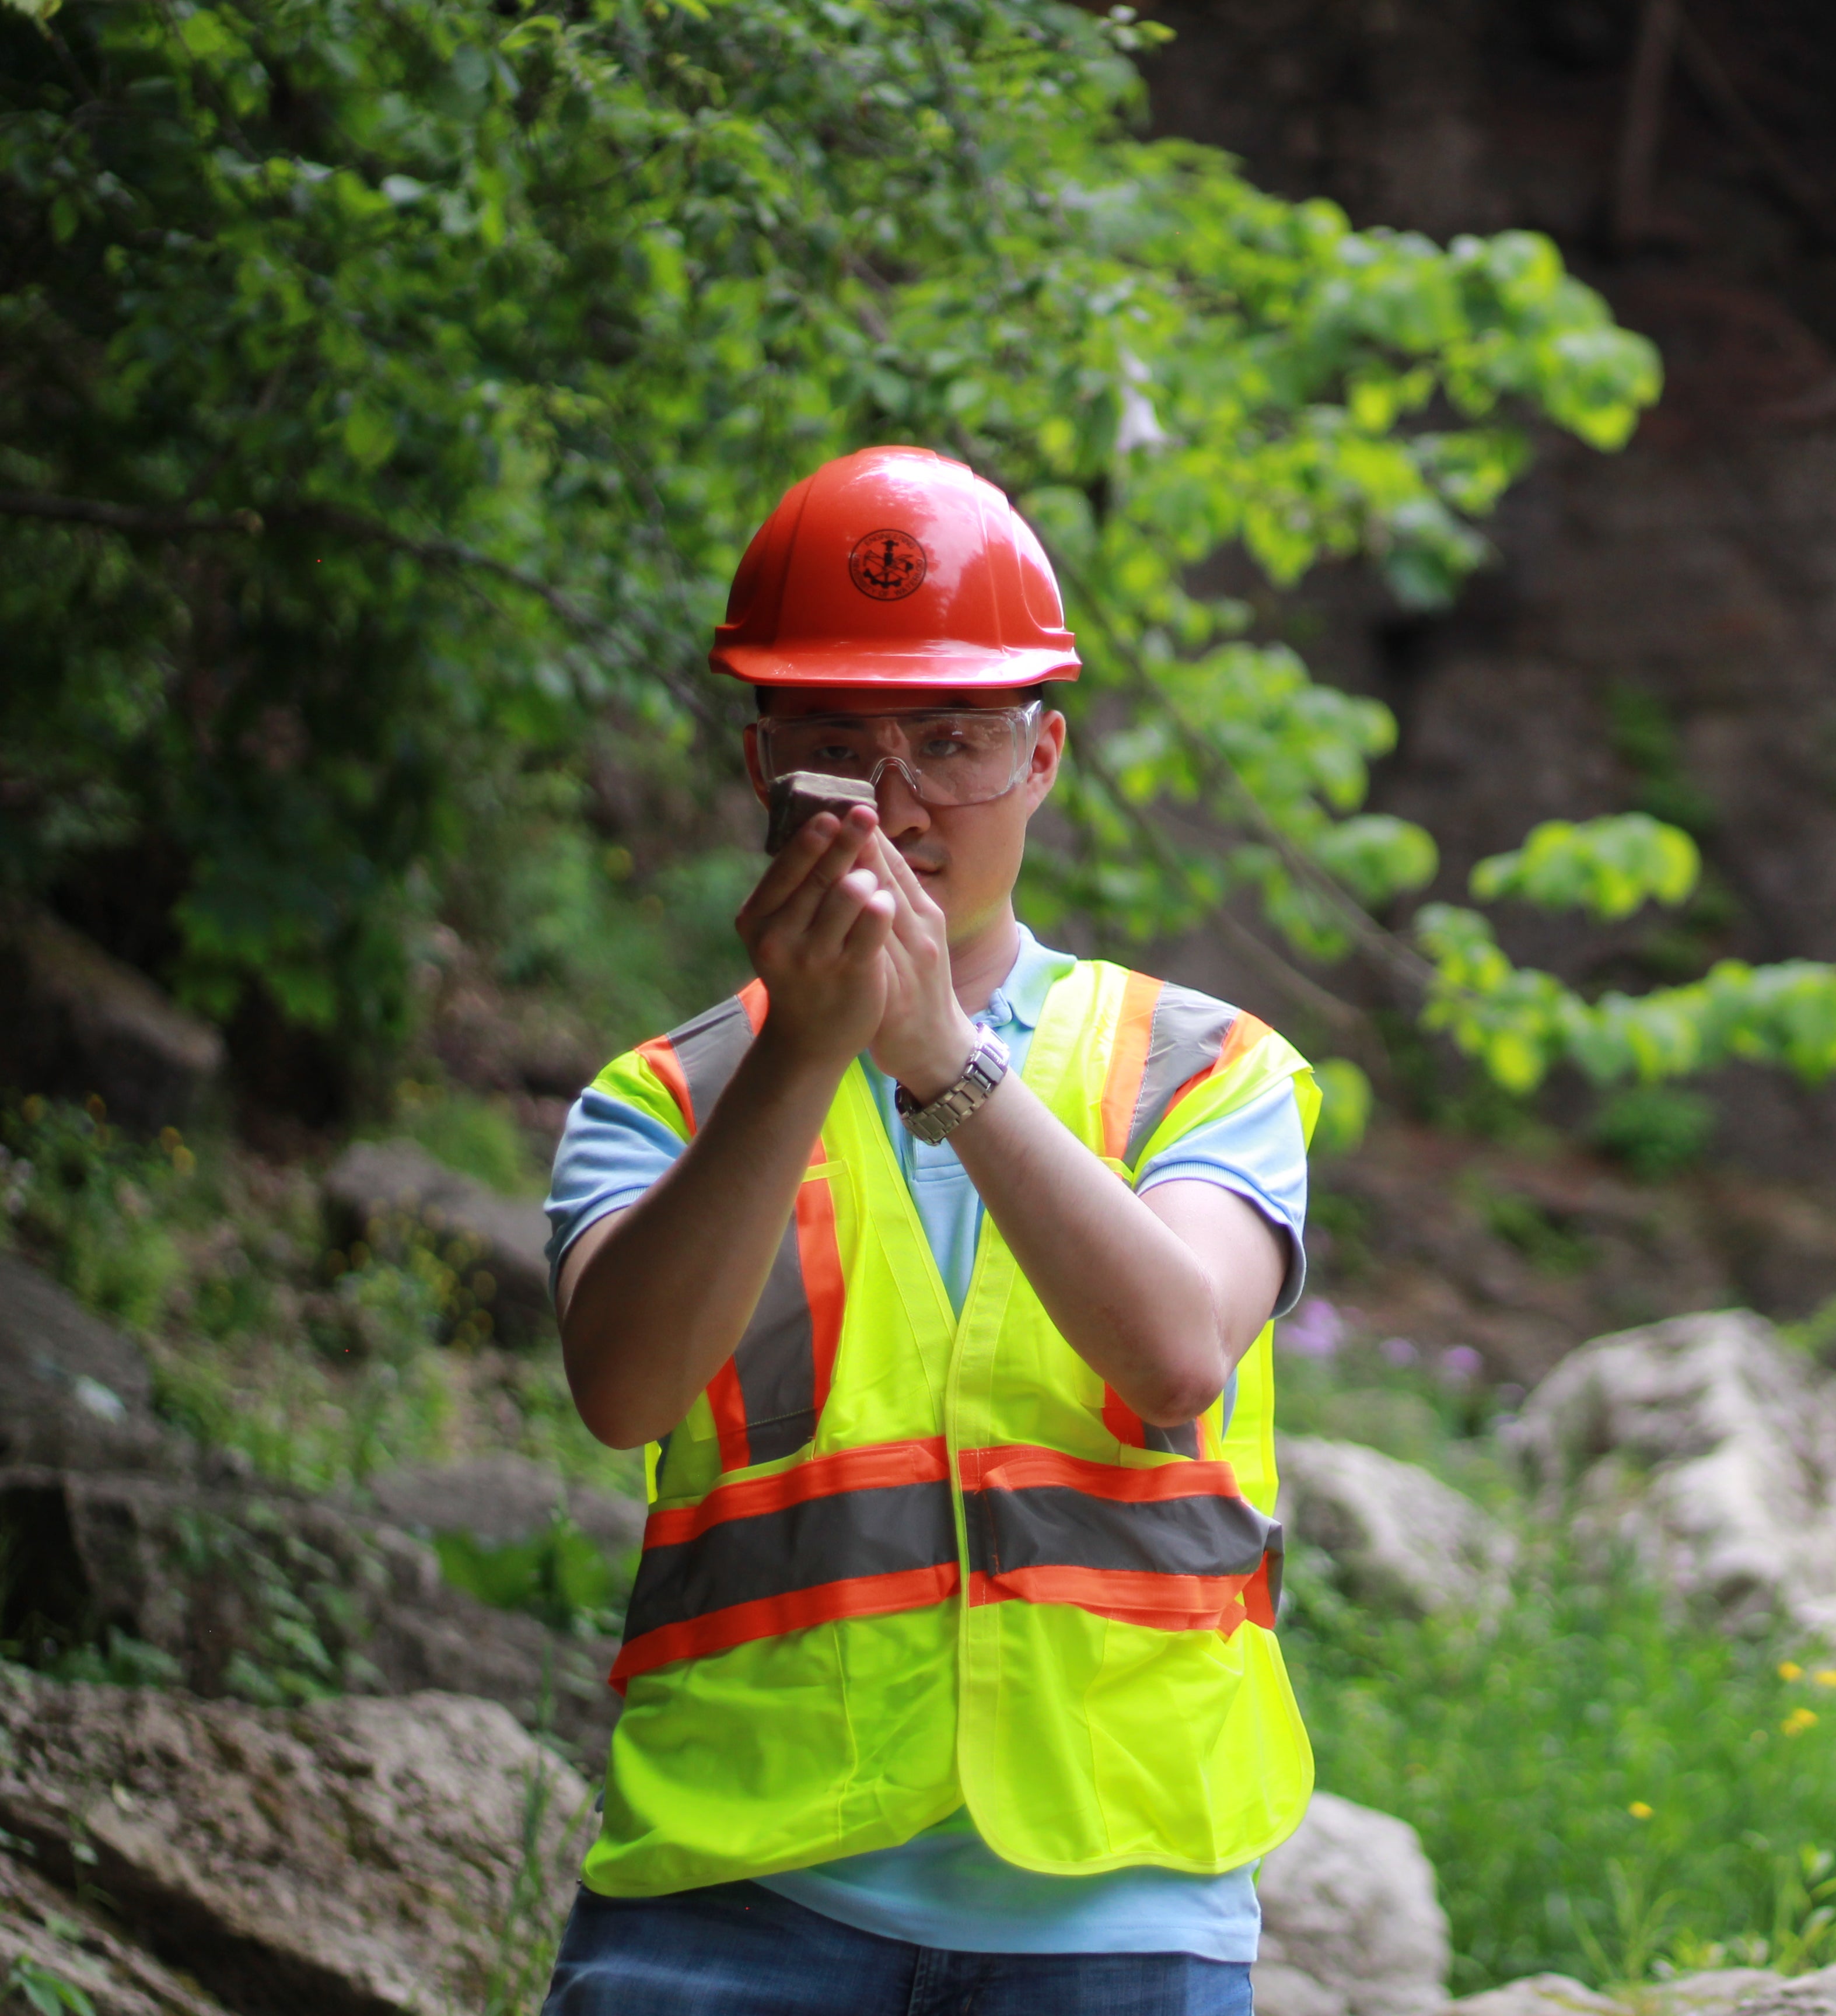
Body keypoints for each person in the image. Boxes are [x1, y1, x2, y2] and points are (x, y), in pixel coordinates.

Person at [538, 446, 1319, 2016]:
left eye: (954, 741)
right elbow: (624, 1391)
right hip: (734, 1900)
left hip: (1121, 1908)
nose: (898, 805)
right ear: (768, 767)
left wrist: (937, 1059)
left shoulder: (1208, 1068)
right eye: (842, 749)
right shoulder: (665, 1098)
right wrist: (808, 1048)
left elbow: (1174, 1353)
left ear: (1044, 757)